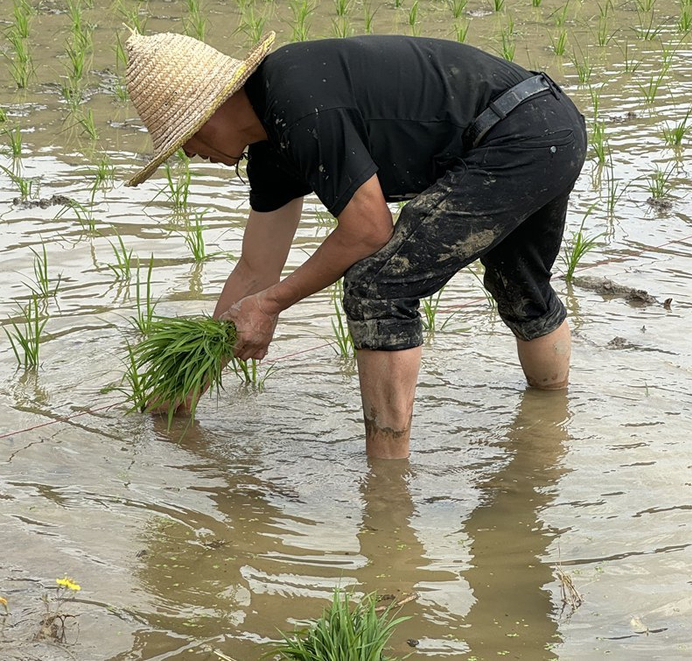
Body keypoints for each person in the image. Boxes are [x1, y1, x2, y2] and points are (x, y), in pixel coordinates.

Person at [125, 30, 587, 459]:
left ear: (212, 111)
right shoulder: (271, 144)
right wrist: (187, 383)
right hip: (547, 126)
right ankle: (549, 427)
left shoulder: (297, 104)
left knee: (377, 287)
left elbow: (368, 229)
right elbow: (254, 270)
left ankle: (387, 482)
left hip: (520, 135)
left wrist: (269, 305)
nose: (188, 152)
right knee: (520, 287)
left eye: (185, 137)